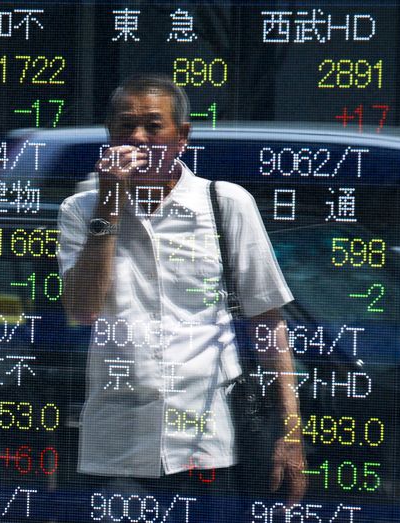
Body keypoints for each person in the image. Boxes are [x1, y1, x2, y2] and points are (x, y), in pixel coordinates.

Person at [58, 74, 306, 507]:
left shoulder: (225, 204)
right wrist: (109, 203)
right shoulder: (81, 209)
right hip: (116, 443)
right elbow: (83, 310)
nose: (137, 137)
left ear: (182, 137)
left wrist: (290, 434)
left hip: (209, 442)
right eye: (125, 126)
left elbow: (267, 322)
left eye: (153, 126)